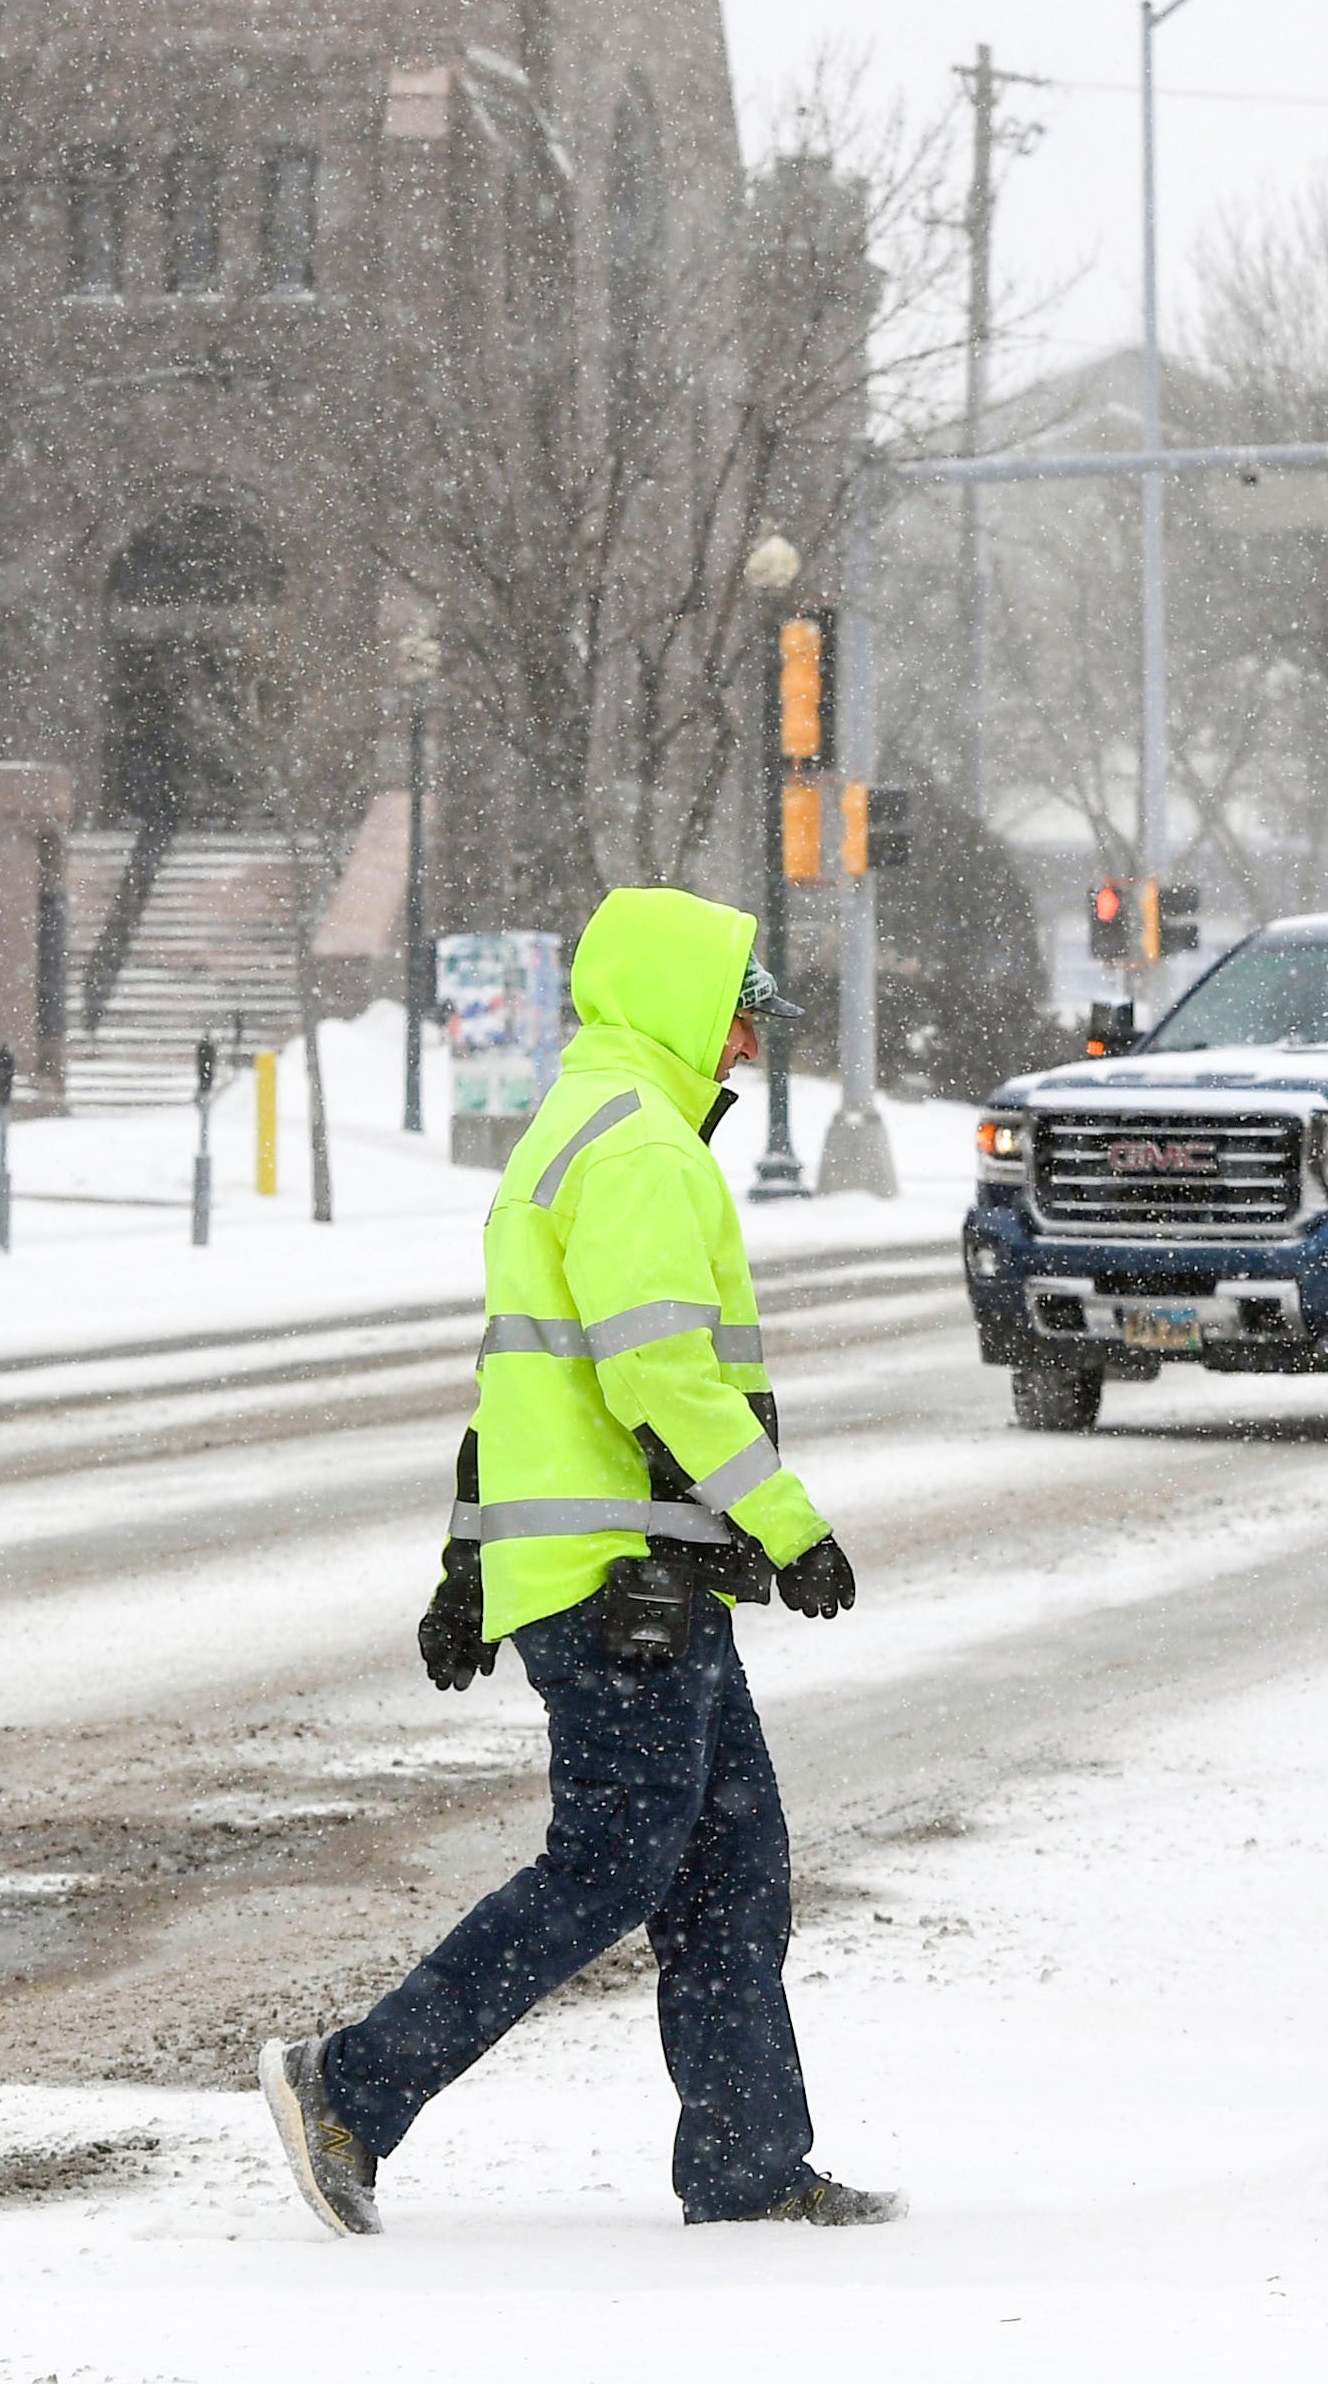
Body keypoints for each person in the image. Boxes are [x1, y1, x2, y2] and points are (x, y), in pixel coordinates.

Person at [259, 885, 891, 2235]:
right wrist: (790, 1524)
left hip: (632, 1584)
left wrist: (466, 1566)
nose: (747, 1049)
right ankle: (353, 2087)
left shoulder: (576, 1129)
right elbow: (654, 1366)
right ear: (676, 1004)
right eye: (735, 1019)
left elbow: (515, 1395)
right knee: (609, 1868)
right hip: (626, 1592)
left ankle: (746, 2167)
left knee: (728, 1879)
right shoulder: (643, 1152)